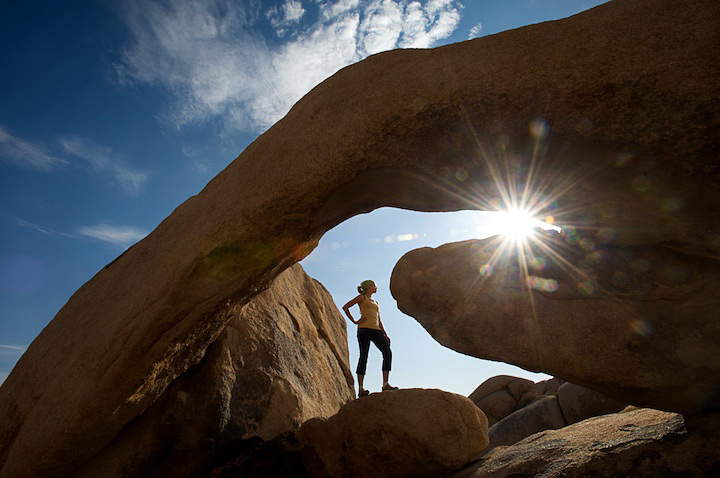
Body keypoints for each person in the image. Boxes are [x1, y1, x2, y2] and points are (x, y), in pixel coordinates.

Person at [342, 279, 398, 397]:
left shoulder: (376, 302)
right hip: (364, 330)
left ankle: (385, 384)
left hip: (376, 330)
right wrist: (355, 321)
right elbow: (346, 307)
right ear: (368, 287)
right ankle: (361, 389)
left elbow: (379, 319)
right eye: (374, 286)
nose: (376, 287)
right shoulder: (362, 298)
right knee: (364, 356)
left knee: (387, 353)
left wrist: (385, 334)